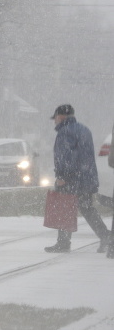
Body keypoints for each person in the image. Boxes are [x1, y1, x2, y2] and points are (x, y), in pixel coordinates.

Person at [45, 104, 111, 254]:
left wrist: (62, 176)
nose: (55, 121)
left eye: (55, 118)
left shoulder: (65, 132)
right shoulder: (84, 129)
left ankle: (63, 243)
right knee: (87, 208)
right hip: (86, 177)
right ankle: (105, 235)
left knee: (64, 208)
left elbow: (65, 157)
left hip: (71, 178)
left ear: (61, 117)